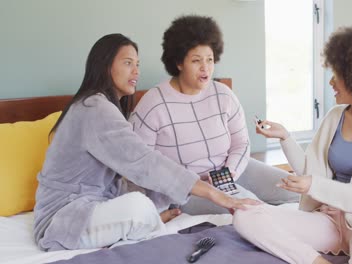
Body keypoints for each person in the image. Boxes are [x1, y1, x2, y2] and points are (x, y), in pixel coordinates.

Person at [33, 33, 259, 251]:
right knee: (139, 207)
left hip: (92, 206)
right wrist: (214, 193)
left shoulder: (103, 106)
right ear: (105, 66)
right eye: (128, 63)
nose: (136, 71)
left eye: (137, 64)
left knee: (154, 197)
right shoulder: (93, 108)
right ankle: (147, 225)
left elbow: (128, 174)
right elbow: (144, 161)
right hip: (63, 220)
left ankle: (146, 222)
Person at [233, 25, 352, 264]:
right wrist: (285, 137)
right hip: (328, 218)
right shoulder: (335, 115)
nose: (331, 81)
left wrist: (312, 185)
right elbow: (312, 174)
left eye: (337, 74)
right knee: (245, 215)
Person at [129, 15, 298, 215]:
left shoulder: (223, 94)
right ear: (179, 62)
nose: (205, 68)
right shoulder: (153, 103)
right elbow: (139, 162)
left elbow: (241, 144)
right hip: (188, 190)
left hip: (231, 171)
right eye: (196, 60)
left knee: (296, 191)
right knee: (252, 210)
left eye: (209, 60)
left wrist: (230, 173)